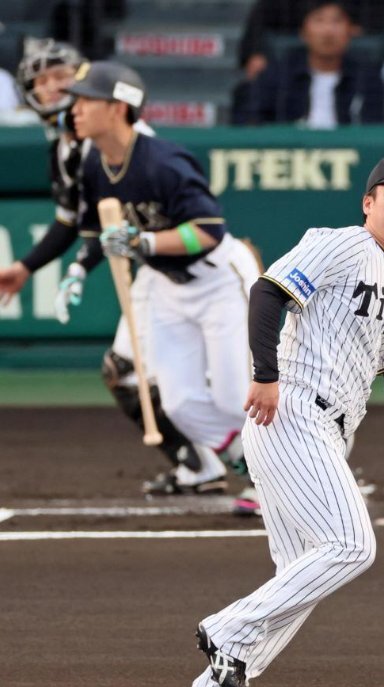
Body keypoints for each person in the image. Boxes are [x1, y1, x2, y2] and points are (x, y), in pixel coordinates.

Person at [189, 155, 384, 687]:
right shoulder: (341, 244)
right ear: (368, 203)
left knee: (301, 571)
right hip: (290, 412)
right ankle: (228, 630)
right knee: (352, 546)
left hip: (330, 431)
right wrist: (265, 375)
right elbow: (268, 292)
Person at [0, 39, 226, 496]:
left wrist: (131, 243)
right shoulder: (66, 148)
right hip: (154, 269)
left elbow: (195, 223)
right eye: (42, 81)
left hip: (201, 268)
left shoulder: (118, 139)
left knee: (226, 387)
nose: (54, 87)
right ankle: (198, 465)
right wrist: (29, 267)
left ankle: (288, 458)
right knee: (123, 371)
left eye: (63, 77)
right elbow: (78, 222)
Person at [65, 60, 261, 501]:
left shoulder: (163, 161)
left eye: (86, 100)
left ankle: (306, 459)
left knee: (236, 396)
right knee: (179, 403)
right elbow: (98, 230)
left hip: (219, 281)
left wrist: (144, 241)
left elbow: (208, 231)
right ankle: (259, 470)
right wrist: (80, 266)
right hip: (168, 288)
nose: (74, 109)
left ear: (118, 107)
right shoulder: (94, 162)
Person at [232, 0, 384, 127]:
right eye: (319, 20)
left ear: (351, 30)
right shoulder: (277, 77)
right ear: (303, 32)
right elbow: (250, 123)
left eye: (337, 21)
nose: (328, 31)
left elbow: (374, 130)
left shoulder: (368, 79)